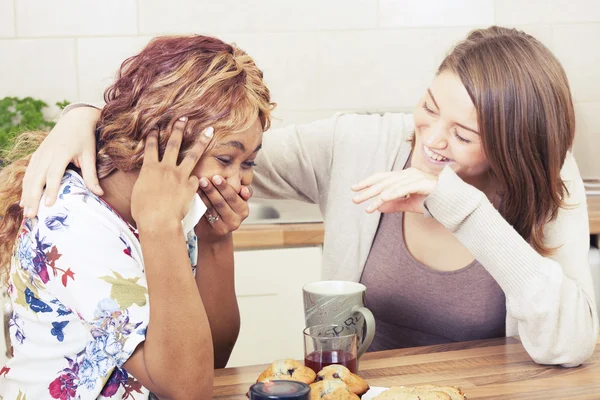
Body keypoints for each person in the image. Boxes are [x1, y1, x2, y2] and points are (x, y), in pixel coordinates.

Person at [18, 26, 599, 367]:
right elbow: (217, 146)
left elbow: (570, 345)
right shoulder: (362, 143)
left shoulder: (552, 182)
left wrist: (458, 204)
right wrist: (88, 117)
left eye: (465, 134)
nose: (432, 139)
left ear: (513, 147)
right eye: (428, 107)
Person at [0, 34, 274, 399]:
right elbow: (188, 390)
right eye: (226, 159)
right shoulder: (74, 224)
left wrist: (215, 241)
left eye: (249, 162)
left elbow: (210, 362)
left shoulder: (174, 202)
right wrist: (160, 226)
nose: (239, 181)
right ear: (159, 141)